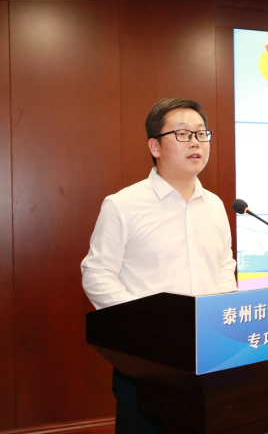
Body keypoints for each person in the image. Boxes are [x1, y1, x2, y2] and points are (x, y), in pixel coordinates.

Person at [81, 98, 237, 433]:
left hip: (209, 353)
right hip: (147, 360)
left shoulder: (215, 205)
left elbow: (225, 264)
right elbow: (97, 273)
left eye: (201, 133)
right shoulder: (123, 205)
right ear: (155, 146)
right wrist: (144, 325)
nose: (195, 142)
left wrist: (221, 312)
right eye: (182, 134)